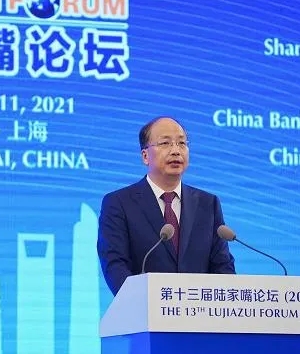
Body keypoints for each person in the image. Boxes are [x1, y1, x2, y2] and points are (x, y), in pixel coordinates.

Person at [97, 116, 236, 295]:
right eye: (165, 143)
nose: (176, 151)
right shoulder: (119, 203)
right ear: (145, 156)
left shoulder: (208, 204)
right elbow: (115, 264)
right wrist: (144, 302)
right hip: (144, 309)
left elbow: (223, 266)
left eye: (181, 143)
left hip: (198, 310)